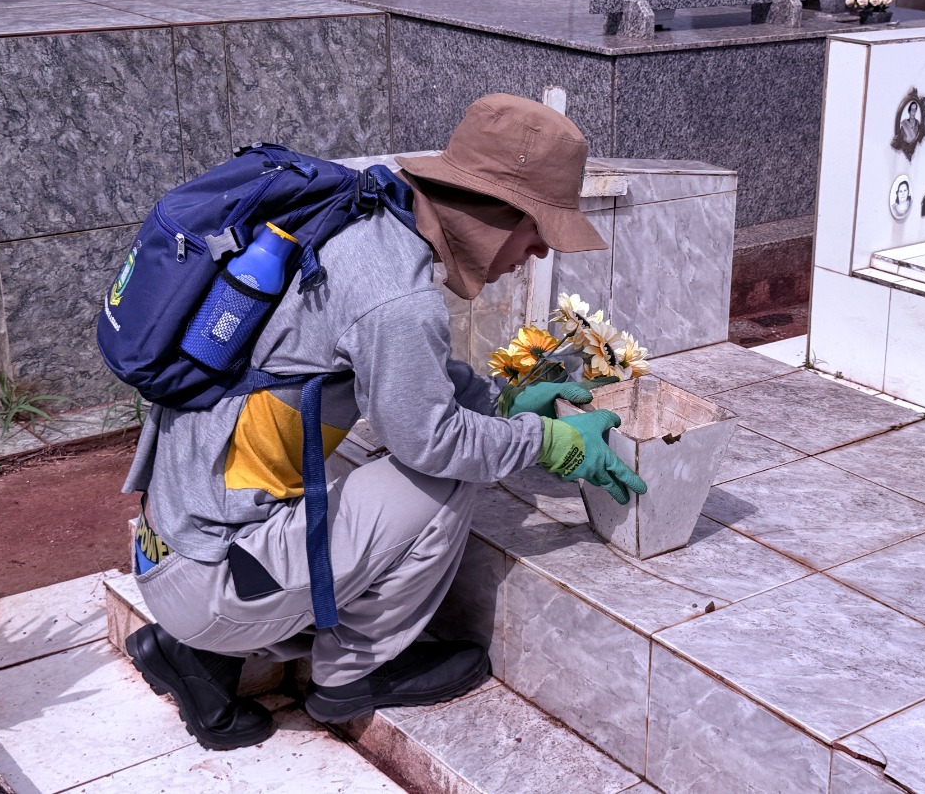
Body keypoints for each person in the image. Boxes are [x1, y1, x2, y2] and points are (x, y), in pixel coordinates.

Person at [121, 94, 646, 750]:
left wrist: (502, 402)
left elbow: (404, 378)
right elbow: (433, 441)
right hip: (214, 579)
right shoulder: (396, 296)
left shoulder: (358, 222)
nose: (538, 253)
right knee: (446, 472)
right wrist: (547, 440)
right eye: (537, 229)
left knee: (388, 438)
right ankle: (354, 673)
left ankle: (197, 658)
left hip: (172, 551)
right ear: (492, 214)